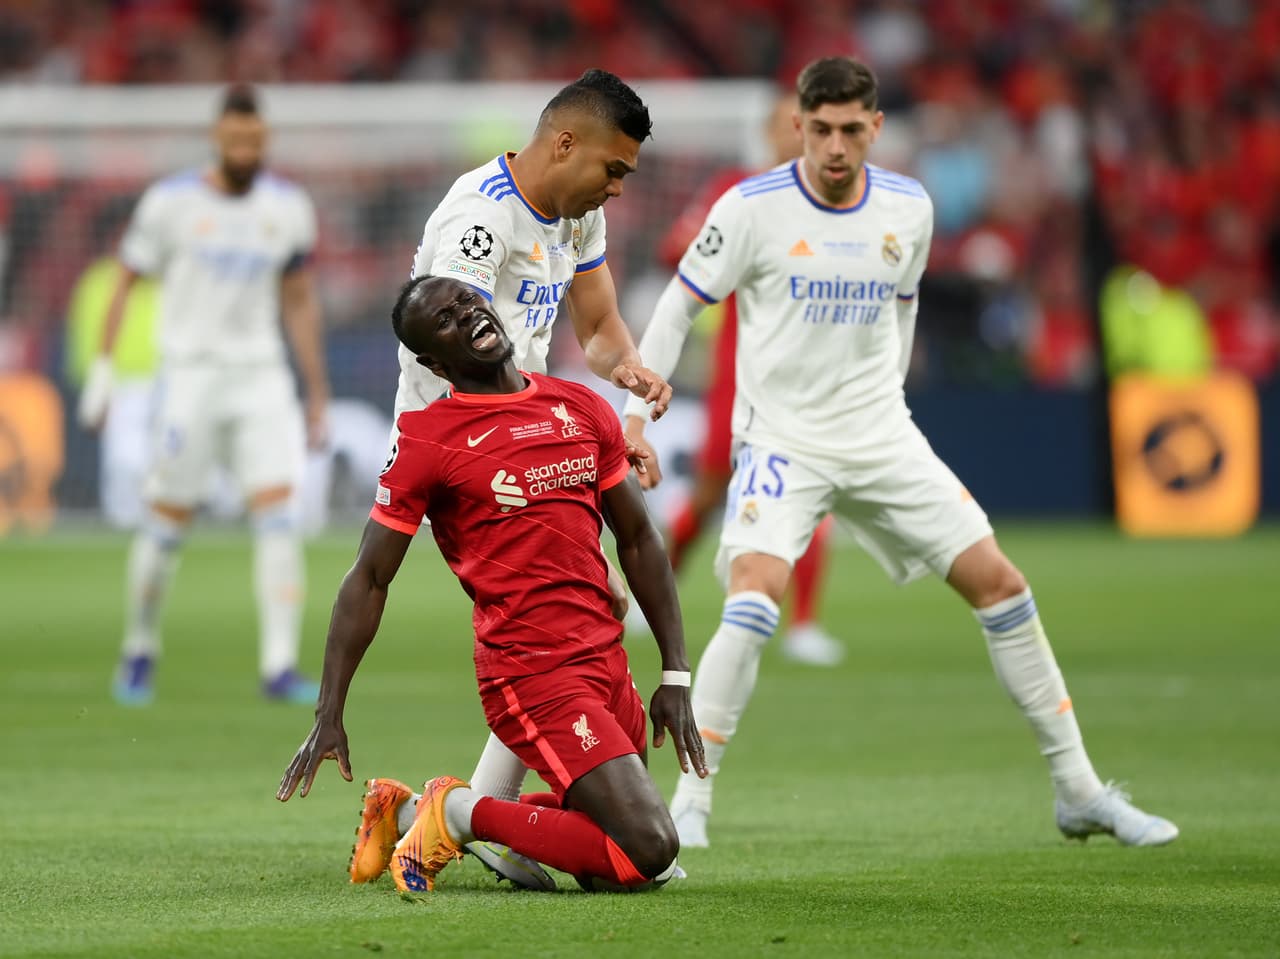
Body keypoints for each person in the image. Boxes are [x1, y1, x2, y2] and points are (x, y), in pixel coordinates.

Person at [623, 57, 1179, 850]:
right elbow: (679, 307)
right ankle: (691, 804)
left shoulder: (908, 210)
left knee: (1002, 584)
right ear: (799, 128)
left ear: (876, 128)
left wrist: (886, 403)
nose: (837, 146)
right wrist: (638, 413)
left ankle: (1079, 790)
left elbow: (903, 312)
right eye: (821, 130)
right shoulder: (751, 208)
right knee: (752, 597)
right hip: (783, 438)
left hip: (881, 433)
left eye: (853, 129)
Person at [345, 68, 673, 890]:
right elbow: (460, 360)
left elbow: (595, 328)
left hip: (534, 431)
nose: (617, 188)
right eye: (613, 169)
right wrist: (541, 440)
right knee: (555, 622)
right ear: (565, 143)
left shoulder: (576, 209)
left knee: (575, 618)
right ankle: (471, 816)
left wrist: (624, 376)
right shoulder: (477, 226)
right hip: (467, 455)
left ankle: (465, 818)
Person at [277, 275, 706, 894]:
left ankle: (400, 815)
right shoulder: (429, 438)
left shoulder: (579, 406)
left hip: (605, 660)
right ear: (434, 361)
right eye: (446, 320)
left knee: (615, 860)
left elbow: (638, 540)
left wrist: (675, 672)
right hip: (532, 672)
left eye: (468, 302)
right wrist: (329, 710)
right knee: (651, 852)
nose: (468, 315)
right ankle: (456, 810)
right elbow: (369, 578)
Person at [78, 84, 330, 705]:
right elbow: (125, 282)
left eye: (255, 139)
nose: (246, 148)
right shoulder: (169, 204)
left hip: (262, 377)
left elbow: (297, 299)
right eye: (236, 138)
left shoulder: (289, 207)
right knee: (167, 521)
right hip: (189, 378)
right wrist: (104, 370)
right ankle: (139, 648)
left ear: (264, 140)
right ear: (216, 138)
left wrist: (316, 389)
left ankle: (278, 666)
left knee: (278, 514)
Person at [642, 90, 842, 667]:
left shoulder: (831, 201)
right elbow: (673, 250)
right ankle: (651, 597)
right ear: (770, 134)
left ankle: (804, 624)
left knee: (812, 488)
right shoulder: (736, 190)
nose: (797, 135)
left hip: (809, 370)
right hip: (741, 366)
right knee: (709, 492)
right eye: (788, 125)